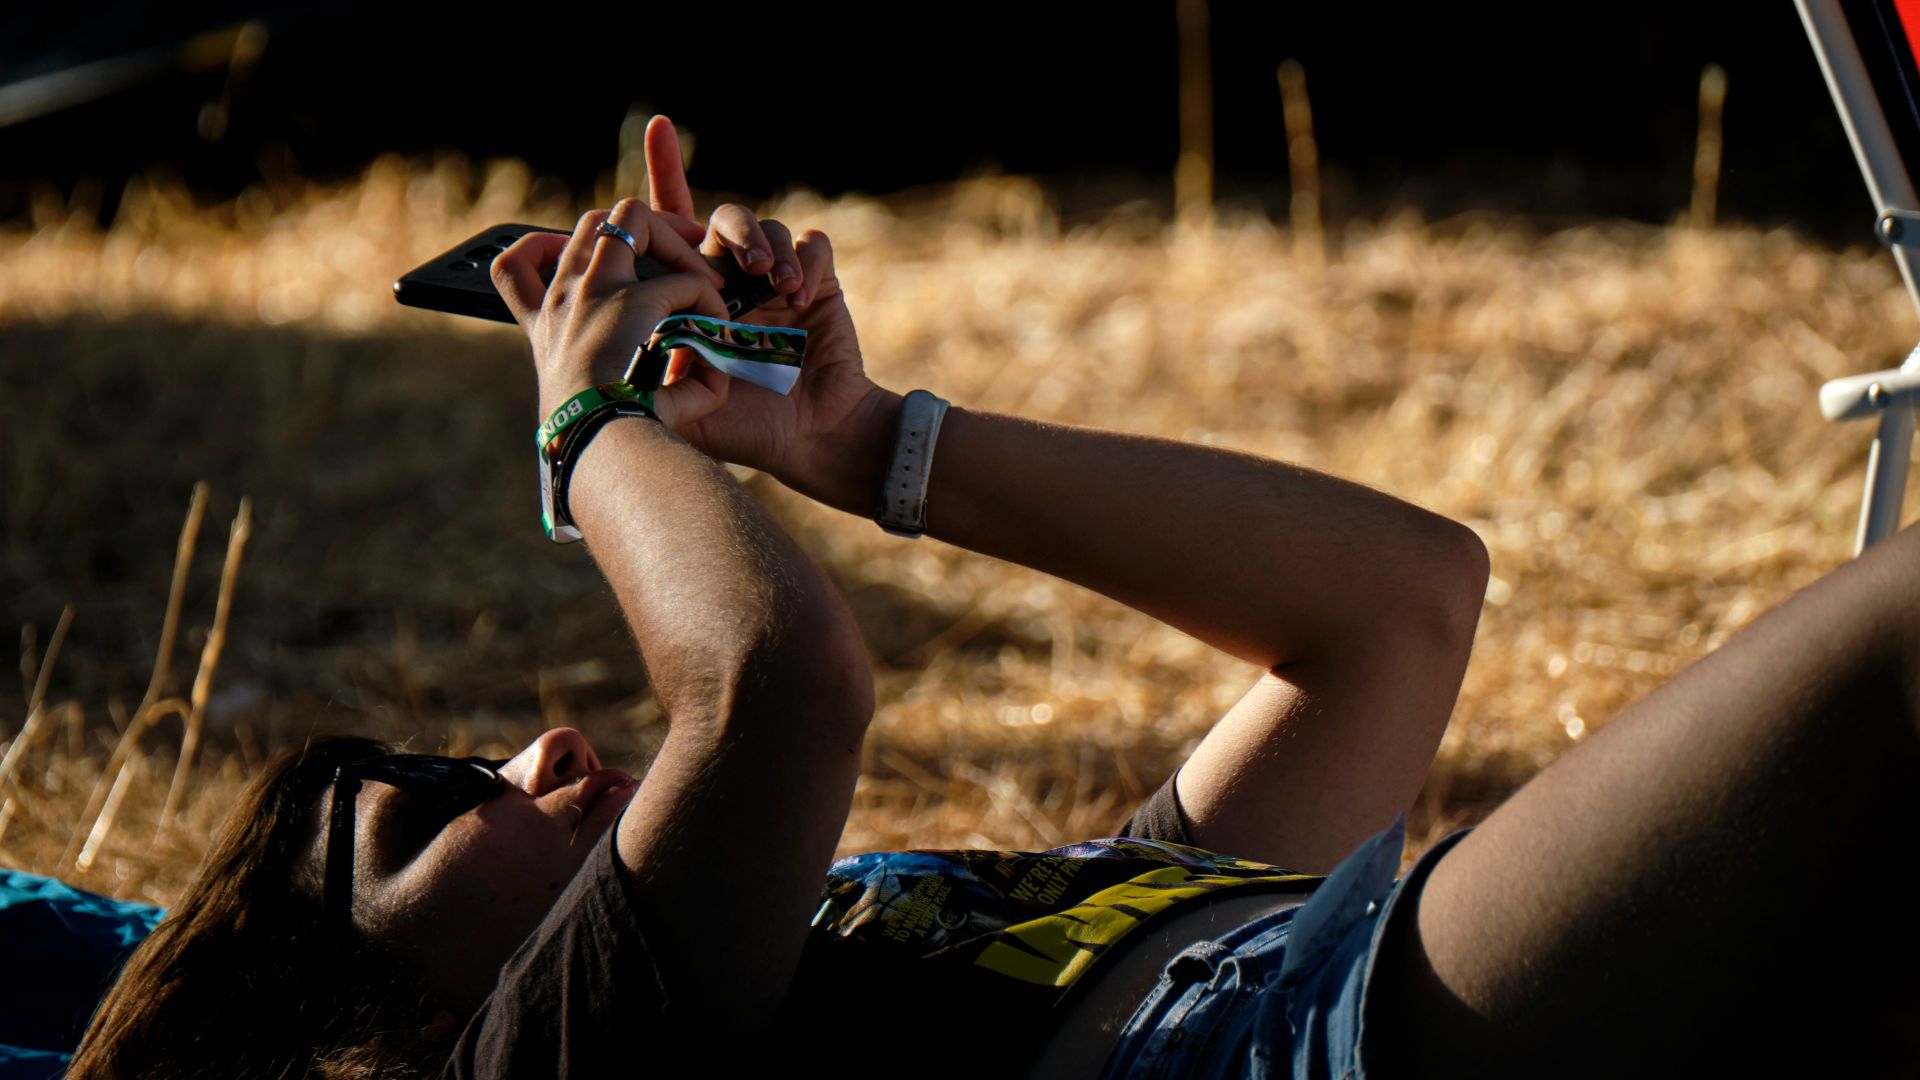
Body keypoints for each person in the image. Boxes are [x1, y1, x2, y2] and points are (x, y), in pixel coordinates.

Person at [68, 118, 1920, 1078]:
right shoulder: (542, 1079)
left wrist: (874, 444)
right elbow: (780, 685)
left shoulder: (916, 945)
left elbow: (1407, 605)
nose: (536, 749)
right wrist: (586, 412)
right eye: (425, 814)